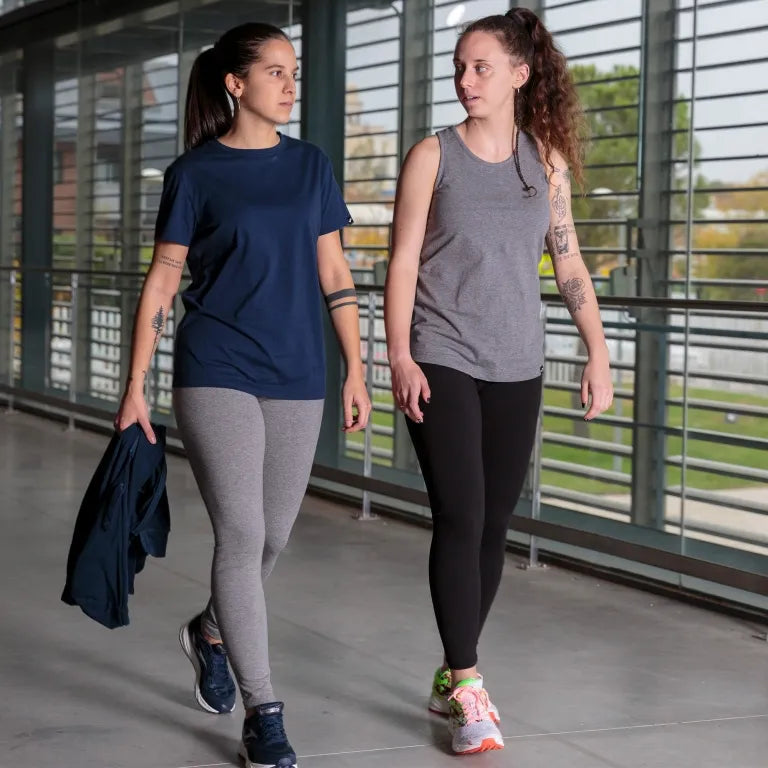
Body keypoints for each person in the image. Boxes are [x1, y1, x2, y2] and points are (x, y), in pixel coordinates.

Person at [114, 22, 370, 768]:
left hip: (298, 374)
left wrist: (357, 368)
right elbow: (162, 282)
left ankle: (210, 631)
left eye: (294, 72)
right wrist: (134, 386)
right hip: (216, 367)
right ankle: (265, 713)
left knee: (273, 538)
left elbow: (334, 271)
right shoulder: (195, 174)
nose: (291, 85)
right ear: (236, 83)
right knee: (241, 534)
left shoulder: (311, 166)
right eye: (276, 72)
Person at [384, 8, 613, 756]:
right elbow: (402, 263)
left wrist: (598, 352)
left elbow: (568, 260)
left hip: (519, 363)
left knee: (492, 525)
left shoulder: (544, 163)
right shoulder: (432, 156)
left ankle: (454, 668)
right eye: (459, 66)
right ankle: (468, 684)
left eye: (481, 67)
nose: (465, 79)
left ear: (519, 73)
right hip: (440, 353)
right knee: (460, 513)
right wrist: (400, 356)